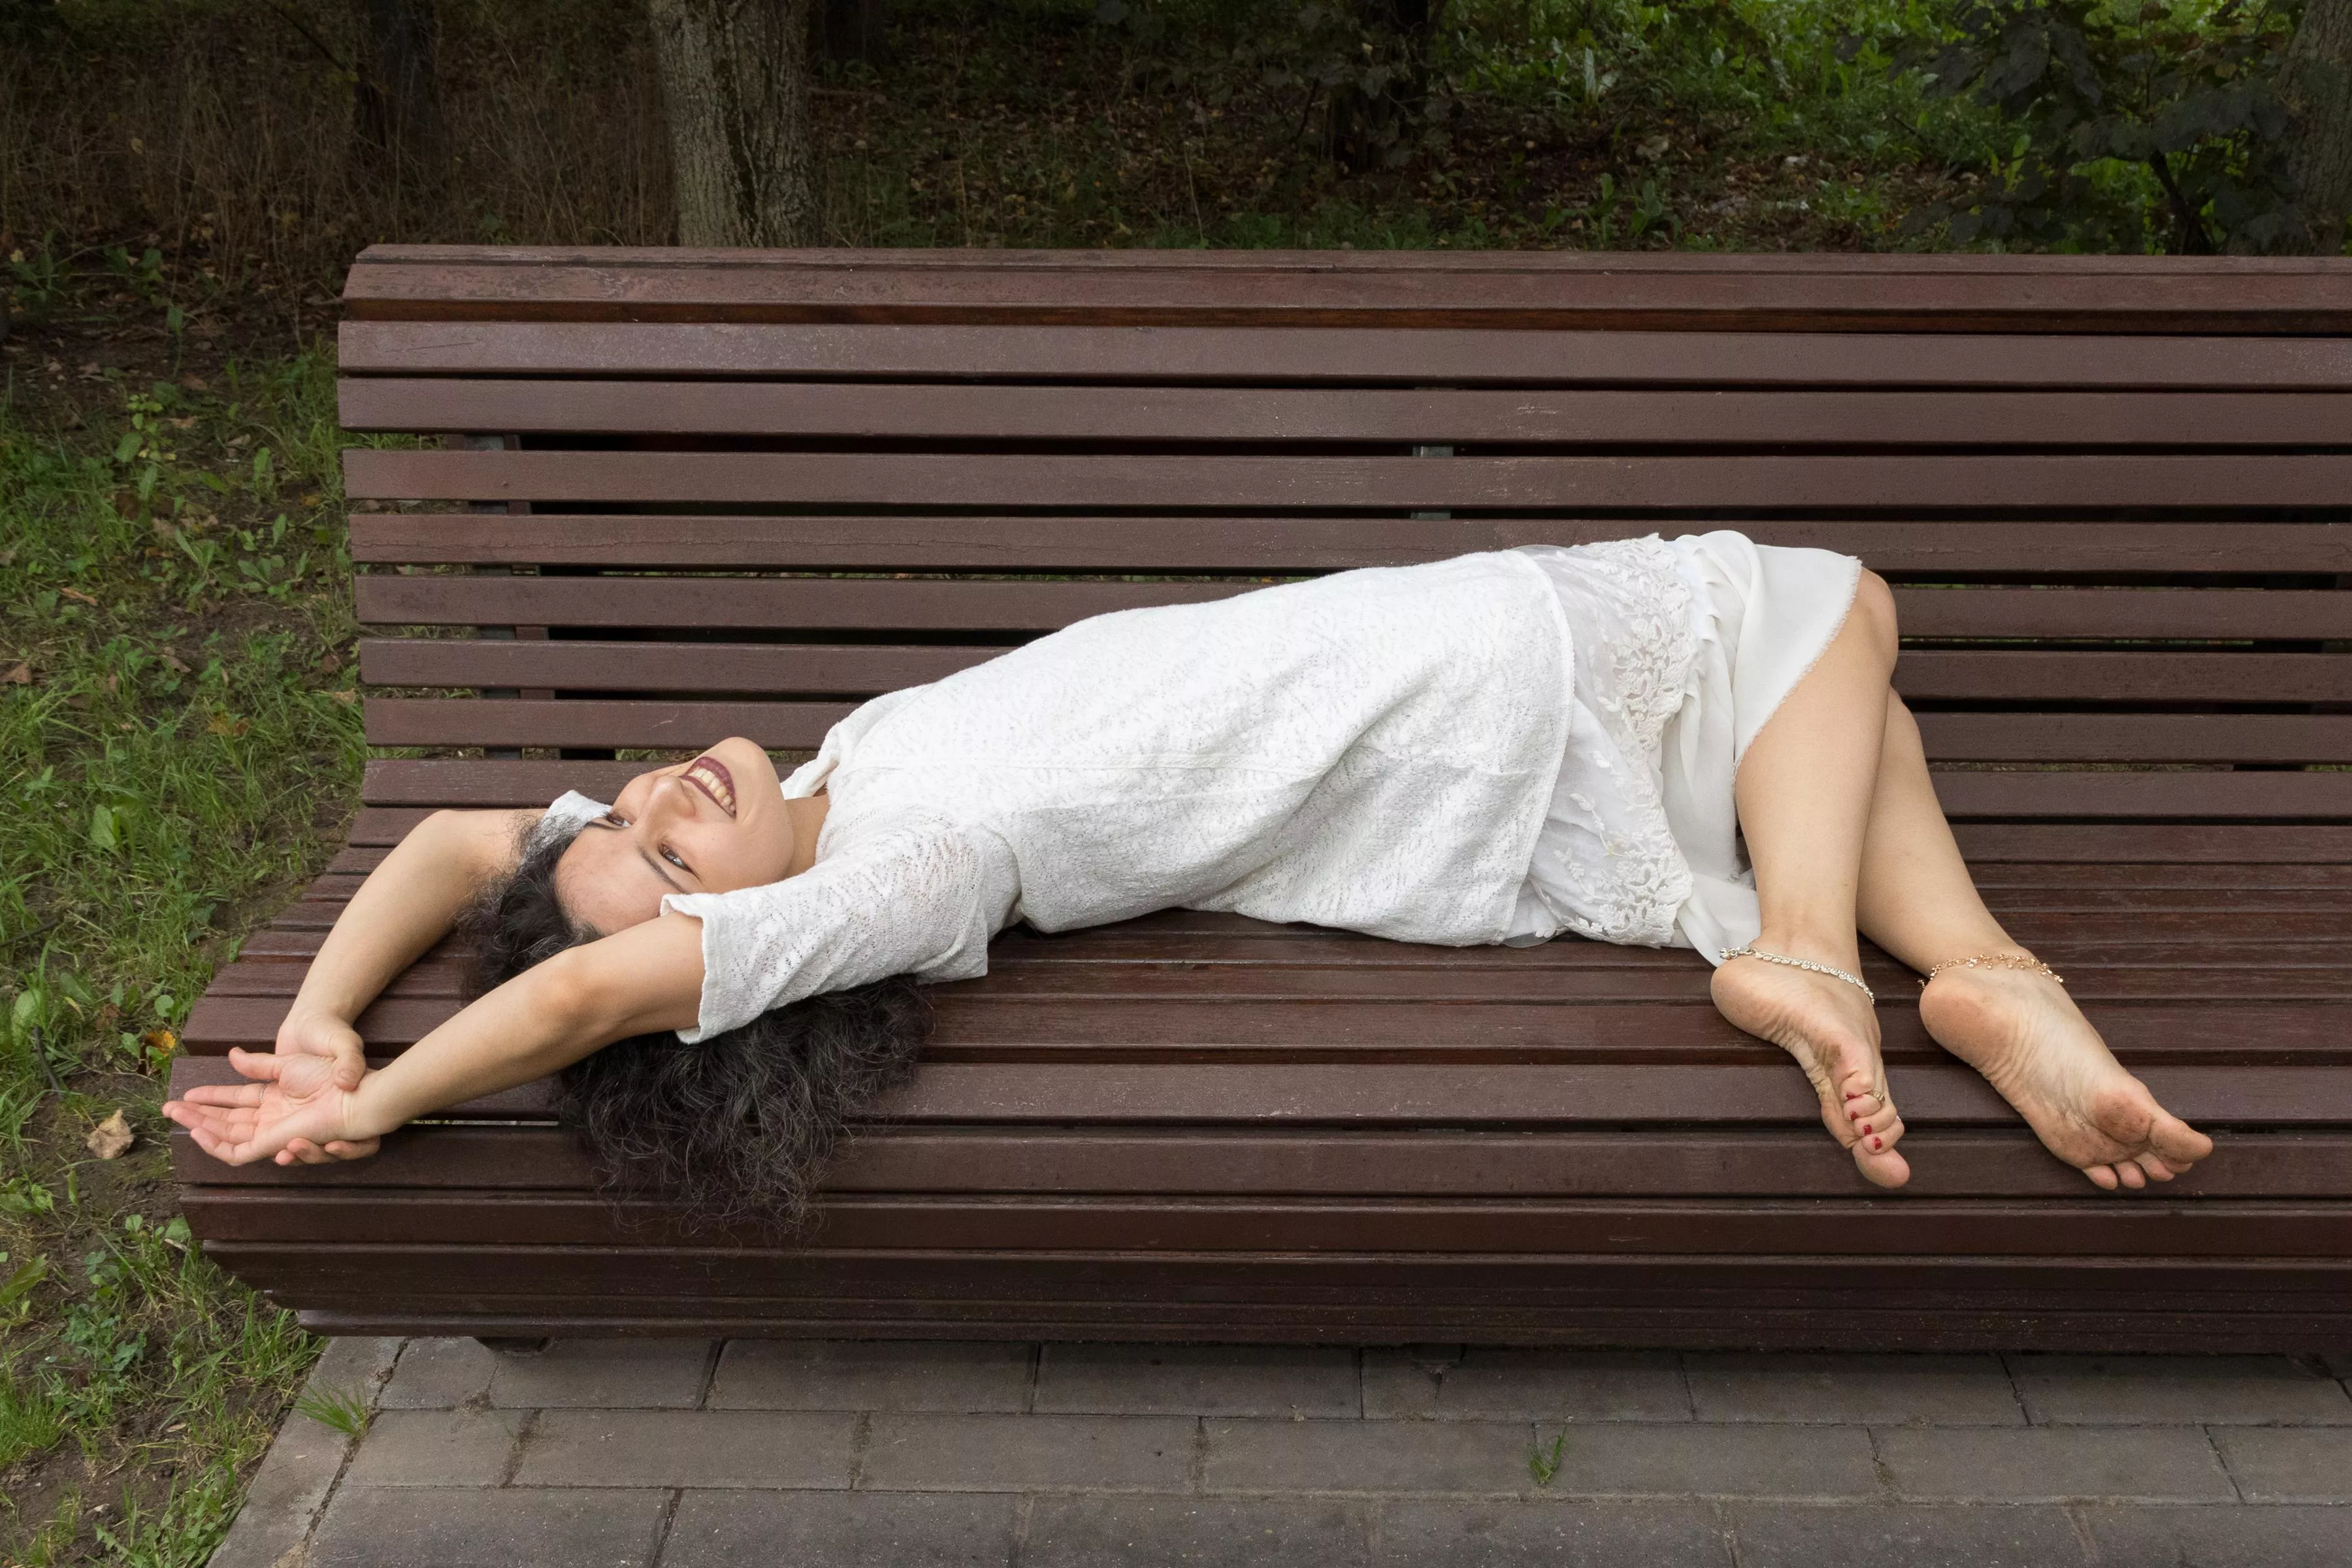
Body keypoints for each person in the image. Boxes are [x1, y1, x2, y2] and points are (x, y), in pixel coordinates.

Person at [167, 533, 2213, 1212]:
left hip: (1420, 715)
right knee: (1831, 597)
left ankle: (1976, 974)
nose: (638, 805)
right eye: (650, 858)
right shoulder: (903, 866)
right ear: (740, 934)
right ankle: (1806, 958)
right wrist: (396, 1098)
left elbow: (461, 843)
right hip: (1437, 681)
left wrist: (335, 1013)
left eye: (609, 811)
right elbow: (592, 989)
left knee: (1834, 700)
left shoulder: (824, 777)